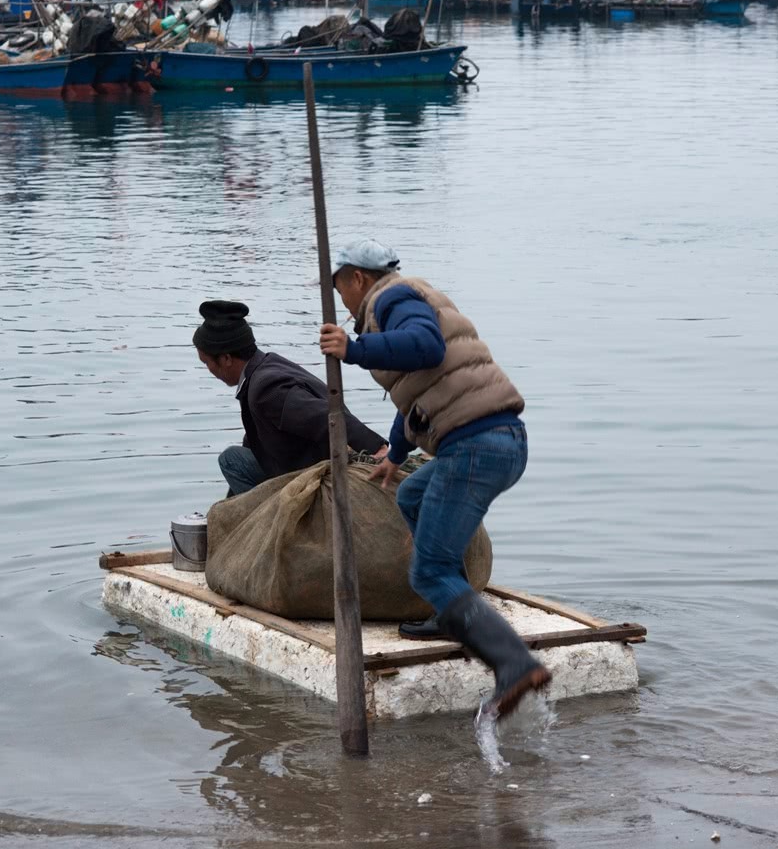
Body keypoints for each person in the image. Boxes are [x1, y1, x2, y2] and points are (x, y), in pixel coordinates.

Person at [317, 240, 549, 721]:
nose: (340, 300)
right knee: (412, 491)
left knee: (428, 570)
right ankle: (453, 616)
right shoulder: (408, 297)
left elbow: (426, 346)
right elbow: (423, 394)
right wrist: (396, 453)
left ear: (357, 278)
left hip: (475, 446)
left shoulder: (391, 299)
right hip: (498, 440)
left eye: (338, 286)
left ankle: (514, 663)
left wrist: (354, 349)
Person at [194, 300, 386, 497]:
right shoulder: (266, 365)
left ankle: (265, 523)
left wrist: (375, 447)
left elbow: (323, 416)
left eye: (207, 363)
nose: (209, 371)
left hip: (309, 469)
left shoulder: (267, 389)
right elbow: (257, 438)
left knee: (231, 459)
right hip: (294, 459)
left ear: (226, 359)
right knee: (240, 458)